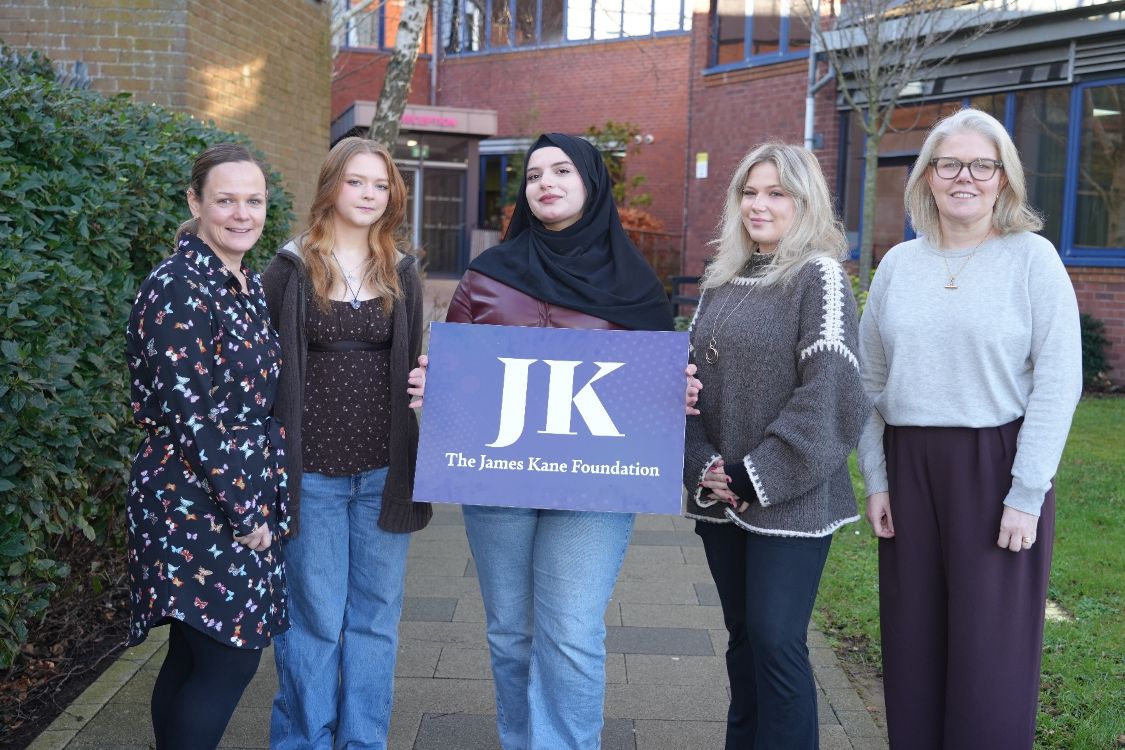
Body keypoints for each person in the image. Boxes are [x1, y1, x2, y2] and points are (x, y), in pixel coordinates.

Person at [408, 132, 688, 750]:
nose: (546, 183)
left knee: (572, 631)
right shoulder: (487, 276)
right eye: (534, 175)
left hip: (594, 485)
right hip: (498, 478)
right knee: (510, 632)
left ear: (592, 183)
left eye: (561, 171)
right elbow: (459, 372)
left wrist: (677, 391)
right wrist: (437, 383)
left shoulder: (636, 284)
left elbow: (650, 389)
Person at [857, 108, 1082, 750]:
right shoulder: (898, 264)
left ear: (1004, 179)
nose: (965, 177)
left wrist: (1026, 494)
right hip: (909, 467)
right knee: (913, 648)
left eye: (982, 166)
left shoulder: (1032, 260)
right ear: (927, 177)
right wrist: (877, 478)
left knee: (991, 660)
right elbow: (868, 379)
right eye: (950, 164)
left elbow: (1059, 380)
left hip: (996, 469)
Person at [682, 142, 869, 750]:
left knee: (776, 637)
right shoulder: (721, 280)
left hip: (792, 496)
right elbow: (686, 386)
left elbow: (832, 392)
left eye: (776, 193)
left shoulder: (819, 276)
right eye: (749, 192)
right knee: (743, 639)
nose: (758, 205)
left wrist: (752, 474)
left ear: (804, 201)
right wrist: (705, 466)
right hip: (720, 492)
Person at [262, 137, 430, 750]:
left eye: (380, 185)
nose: (369, 194)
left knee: (375, 619)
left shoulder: (402, 271)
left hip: (384, 471)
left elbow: (416, 364)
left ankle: (363, 740)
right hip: (311, 474)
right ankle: (304, 740)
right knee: (314, 618)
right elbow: (263, 373)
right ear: (331, 184)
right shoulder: (290, 268)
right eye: (356, 181)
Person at [125, 143, 288, 750]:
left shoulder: (243, 281)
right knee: (228, 656)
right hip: (191, 495)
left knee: (194, 652)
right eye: (226, 200)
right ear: (195, 203)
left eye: (254, 201)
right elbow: (188, 415)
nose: (242, 214)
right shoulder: (179, 285)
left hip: (229, 485)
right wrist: (244, 510)